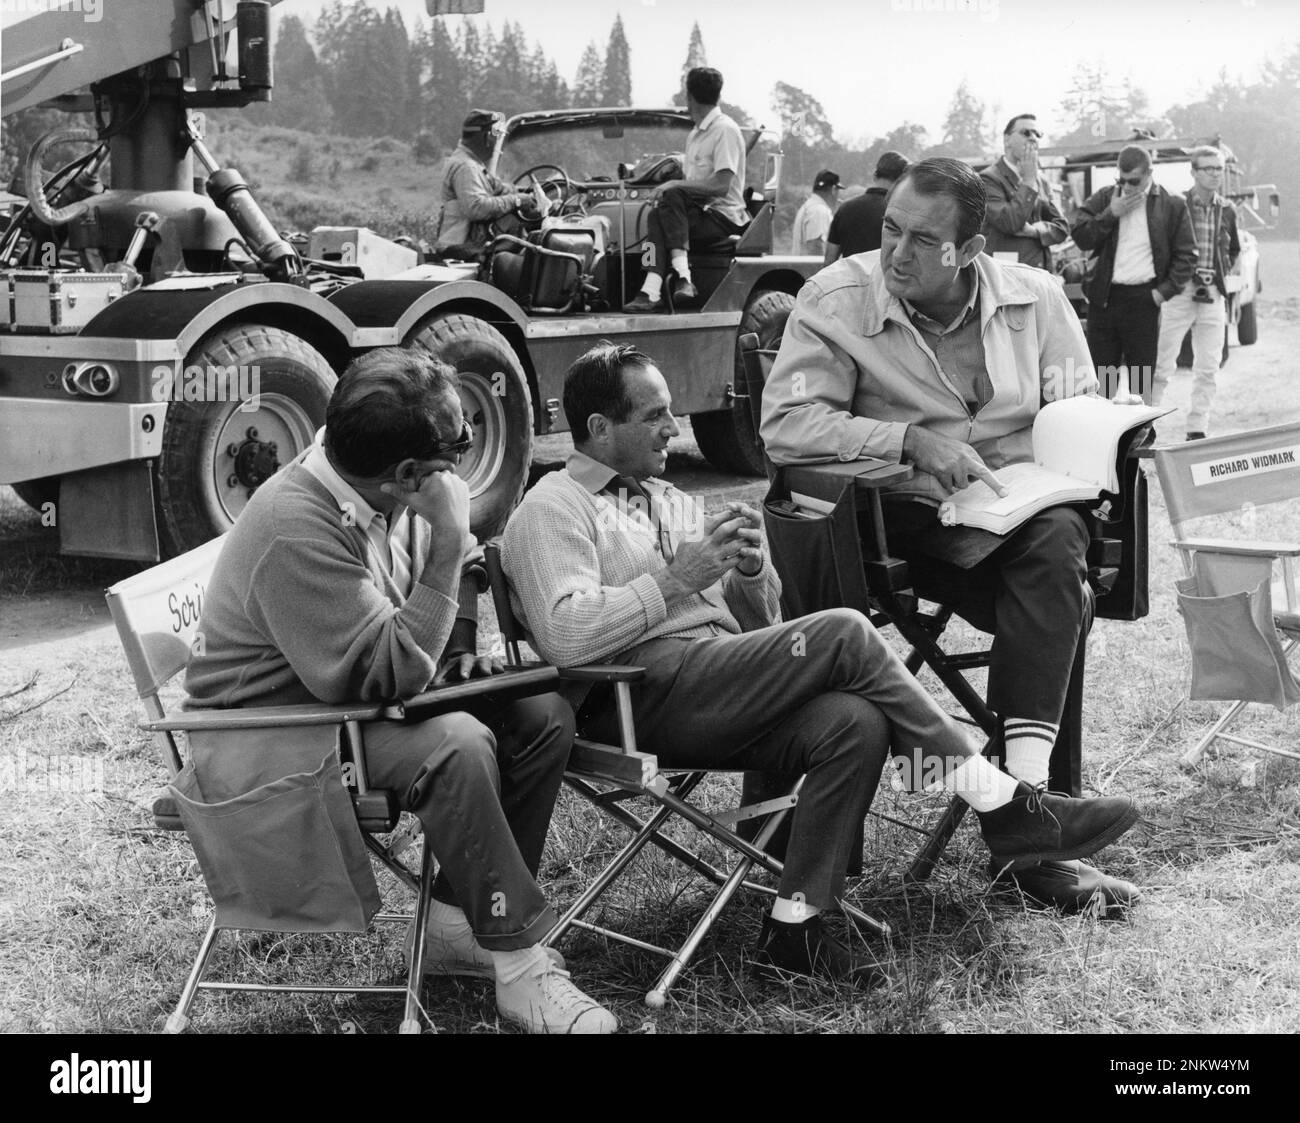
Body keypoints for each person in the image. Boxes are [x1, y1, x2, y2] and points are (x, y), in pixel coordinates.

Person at [502, 341, 1139, 986]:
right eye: (655, 415)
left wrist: (751, 575)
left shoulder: (665, 497)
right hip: (633, 697)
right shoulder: (552, 506)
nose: (674, 428)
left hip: (713, 681)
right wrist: (673, 580)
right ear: (600, 428)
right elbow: (565, 636)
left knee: (851, 719)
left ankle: (796, 925)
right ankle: (1003, 806)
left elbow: (761, 625)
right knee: (843, 633)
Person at [183, 346, 615, 1035]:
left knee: (540, 714)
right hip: (269, 736)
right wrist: (448, 535)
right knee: (458, 744)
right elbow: (396, 666)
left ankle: (455, 924)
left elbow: (446, 595)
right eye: (454, 454)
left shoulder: (370, 478)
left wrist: (465, 645)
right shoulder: (295, 524)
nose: (462, 468)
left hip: (345, 705)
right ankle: (521, 969)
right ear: (409, 474)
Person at [762, 157, 1143, 912]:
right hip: (893, 523)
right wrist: (907, 441)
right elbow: (785, 425)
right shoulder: (834, 298)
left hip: (1016, 511)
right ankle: (1034, 826)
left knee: (1059, 545)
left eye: (920, 240)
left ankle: (1025, 811)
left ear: (968, 250)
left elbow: (1077, 406)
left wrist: (1112, 435)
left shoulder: (1036, 299)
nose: (895, 252)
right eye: (891, 229)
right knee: (1058, 579)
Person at [1072, 144, 1197, 401]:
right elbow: (1081, 236)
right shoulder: (1106, 197)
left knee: (1141, 378)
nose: (1127, 186)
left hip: (1144, 299)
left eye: (1134, 181)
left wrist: (1161, 294)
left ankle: (1141, 438)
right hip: (1105, 299)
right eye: (1122, 179)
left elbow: (1187, 256)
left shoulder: (1172, 203)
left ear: (1150, 172)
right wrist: (1111, 214)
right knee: (1104, 376)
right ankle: (1105, 435)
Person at [625, 67, 749, 312]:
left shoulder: (725, 130)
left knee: (668, 201)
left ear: (689, 97)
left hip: (723, 217)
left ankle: (665, 283)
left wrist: (673, 183)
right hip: (694, 214)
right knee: (655, 214)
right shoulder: (694, 135)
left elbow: (721, 186)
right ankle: (663, 284)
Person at [1151, 146, 1241, 440]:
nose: (1216, 174)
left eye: (1219, 168)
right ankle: (1146, 424)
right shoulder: (1178, 205)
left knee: (1209, 365)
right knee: (1163, 361)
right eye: (1209, 168)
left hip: (1213, 291)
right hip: (1180, 290)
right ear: (1194, 172)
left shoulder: (1227, 209)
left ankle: (1197, 427)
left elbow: (1233, 248)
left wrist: (1221, 273)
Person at [433, 109, 542, 258]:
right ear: (486, 136)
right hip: (461, 248)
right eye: (496, 134)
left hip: (468, 245)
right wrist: (516, 200)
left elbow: (497, 188)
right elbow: (476, 207)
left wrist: (527, 191)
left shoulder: (472, 164)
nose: (498, 140)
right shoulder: (466, 167)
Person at [979, 114, 1069, 269]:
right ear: (1007, 140)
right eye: (1026, 133)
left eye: (1037, 134)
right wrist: (1028, 182)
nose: (1033, 138)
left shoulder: (1041, 180)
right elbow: (1009, 222)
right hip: (1008, 276)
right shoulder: (989, 179)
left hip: (1040, 275)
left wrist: (1036, 231)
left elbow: (1062, 228)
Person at [825, 151, 909, 264]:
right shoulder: (903, 213)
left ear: (874, 176)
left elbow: (829, 260)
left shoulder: (845, 209)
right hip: (884, 280)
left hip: (851, 280)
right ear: (902, 181)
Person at [791, 169, 842, 256]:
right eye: (838, 190)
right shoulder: (819, 211)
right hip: (813, 269)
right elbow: (815, 247)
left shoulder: (810, 207)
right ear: (833, 190)